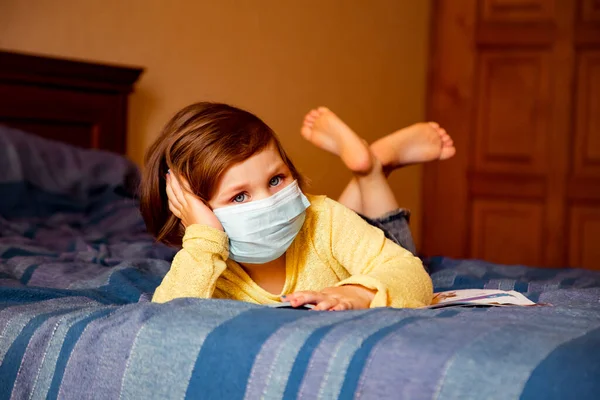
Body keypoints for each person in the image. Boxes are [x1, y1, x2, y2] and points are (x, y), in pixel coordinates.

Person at [140, 102, 452, 311]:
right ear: (189, 212)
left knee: (384, 238)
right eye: (239, 196)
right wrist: (202, 240)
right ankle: (371, 168)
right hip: (338, 245)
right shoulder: (203, 264)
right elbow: (166, 321)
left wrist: (358, 294)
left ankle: (370, 172)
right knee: (344, 227)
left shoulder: (323, 218)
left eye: (276, 179)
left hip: (347, 241)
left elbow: (412, 274)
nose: (269, 202)